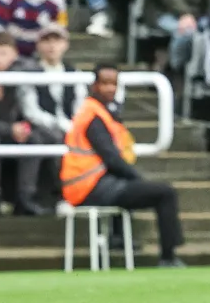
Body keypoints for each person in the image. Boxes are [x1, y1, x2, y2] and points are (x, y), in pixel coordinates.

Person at [59, 61, 185, 267]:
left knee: (130, 185)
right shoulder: (94, 116)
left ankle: (118, 238)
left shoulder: (99, 112)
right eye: (105, 83)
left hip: (90, 184)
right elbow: (111, 159)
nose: (110, 88)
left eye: (114, 83)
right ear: (94, 85)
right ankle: (168, 256)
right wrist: (137, 177)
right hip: (88, 186)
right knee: (165, 193)